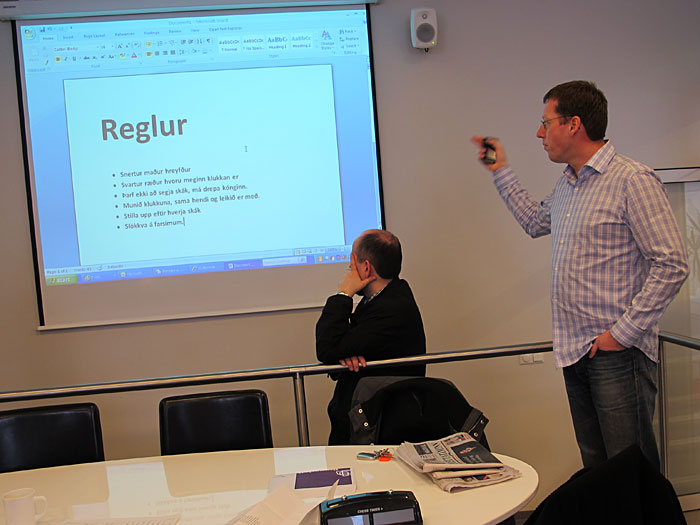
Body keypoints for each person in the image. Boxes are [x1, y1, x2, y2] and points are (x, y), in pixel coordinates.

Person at [471, 80, 688, 470]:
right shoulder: (568, 185)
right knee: (599, 472)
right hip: (576, 351)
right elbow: (534, 221)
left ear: (573, 124)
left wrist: (620, 336)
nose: (539, 134)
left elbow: (672, 264)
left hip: (618, 355)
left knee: (630, 472)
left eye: (545, 122)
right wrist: (500, 169)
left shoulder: (632, 180)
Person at [316, 229, 426, 445]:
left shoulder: (393, 307)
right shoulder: (383, 298)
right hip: (366, 420)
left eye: (352, 264)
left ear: (366, 267)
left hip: (378, 428)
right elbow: (339, 347)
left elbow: (327, 347)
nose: (350, 270)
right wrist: (343, 355)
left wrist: (344, 293)